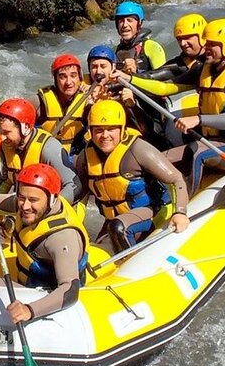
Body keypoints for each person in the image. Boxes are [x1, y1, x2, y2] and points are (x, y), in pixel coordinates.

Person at [116, 18, 225, 196]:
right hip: (210, 140)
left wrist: (198, 119)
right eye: (206, 42)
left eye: (212, 44)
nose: (206, 47)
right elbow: (164, 88)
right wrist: (130, 79)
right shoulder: (203, 69)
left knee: (197, 153)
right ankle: (154, 199)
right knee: (157, 159)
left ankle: (184, 203)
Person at [0, 162, 89, 324]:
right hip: (27, 280)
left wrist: (29, 310)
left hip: (43, 294)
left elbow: (70, 290)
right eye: (21, 197)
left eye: (33, 200)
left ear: (52, 199)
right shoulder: (29, 203)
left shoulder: (61, 238)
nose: (25, 206)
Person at [74, 100, 190, 253]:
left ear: (122, 129)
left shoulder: (138, 149)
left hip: (151, 213)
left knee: (118, 228)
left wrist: (180, 212)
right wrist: (74, 226)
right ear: (91, 131)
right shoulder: (85, 158)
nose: (105, 135)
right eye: (99, 130)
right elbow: (81, 198)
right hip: (113, 221)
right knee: (92, 250)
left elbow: (176, 179)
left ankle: (132, 263)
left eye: (111, 129)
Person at [0, 97, 83, 204]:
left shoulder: (49, 148)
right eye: (0, 131)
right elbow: (5, 180)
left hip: (55, 205)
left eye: (7, 132)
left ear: (25, 128)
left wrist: (51, 207)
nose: (2, 138)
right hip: (27, 204)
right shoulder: (6, 146)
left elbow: (74, 186)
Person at [35, 54, 91, 154]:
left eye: (73, 76)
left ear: (80, 78)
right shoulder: (39, 101)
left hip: (75, 155)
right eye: (62, 77)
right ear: (55, 80)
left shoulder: (87, 100)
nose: (68, 82)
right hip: (45, 155)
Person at [113, 1, 166, 74]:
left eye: (129, 20)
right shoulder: (118, 50)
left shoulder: (152, 47)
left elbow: (163, 78)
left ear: (139, 23)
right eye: (121, 21)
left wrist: (137, 71)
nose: (125, 25)